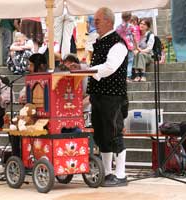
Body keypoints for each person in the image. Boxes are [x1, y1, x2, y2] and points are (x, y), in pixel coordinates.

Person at [73, 7, 129, 187]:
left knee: (114, 134)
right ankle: (107, 172)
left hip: (113, 96)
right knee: (101, 134)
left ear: (108, 21)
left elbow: (110, 67)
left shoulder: (118, 43)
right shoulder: (100, 42)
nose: (94, 24)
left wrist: (89, 71)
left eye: (97, 20)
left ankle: (120, 175)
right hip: (98, 95)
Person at [116, 12, 139, 82]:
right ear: (130, 18)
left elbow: (116, 38)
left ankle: (121, 77)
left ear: (122, 17)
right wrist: (136, 47)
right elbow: (134, 38)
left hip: (121, 46)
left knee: (121, 61)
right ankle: (127, 77)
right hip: (129, 46)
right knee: (130, 61)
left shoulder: (118, 27)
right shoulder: (132, 27)